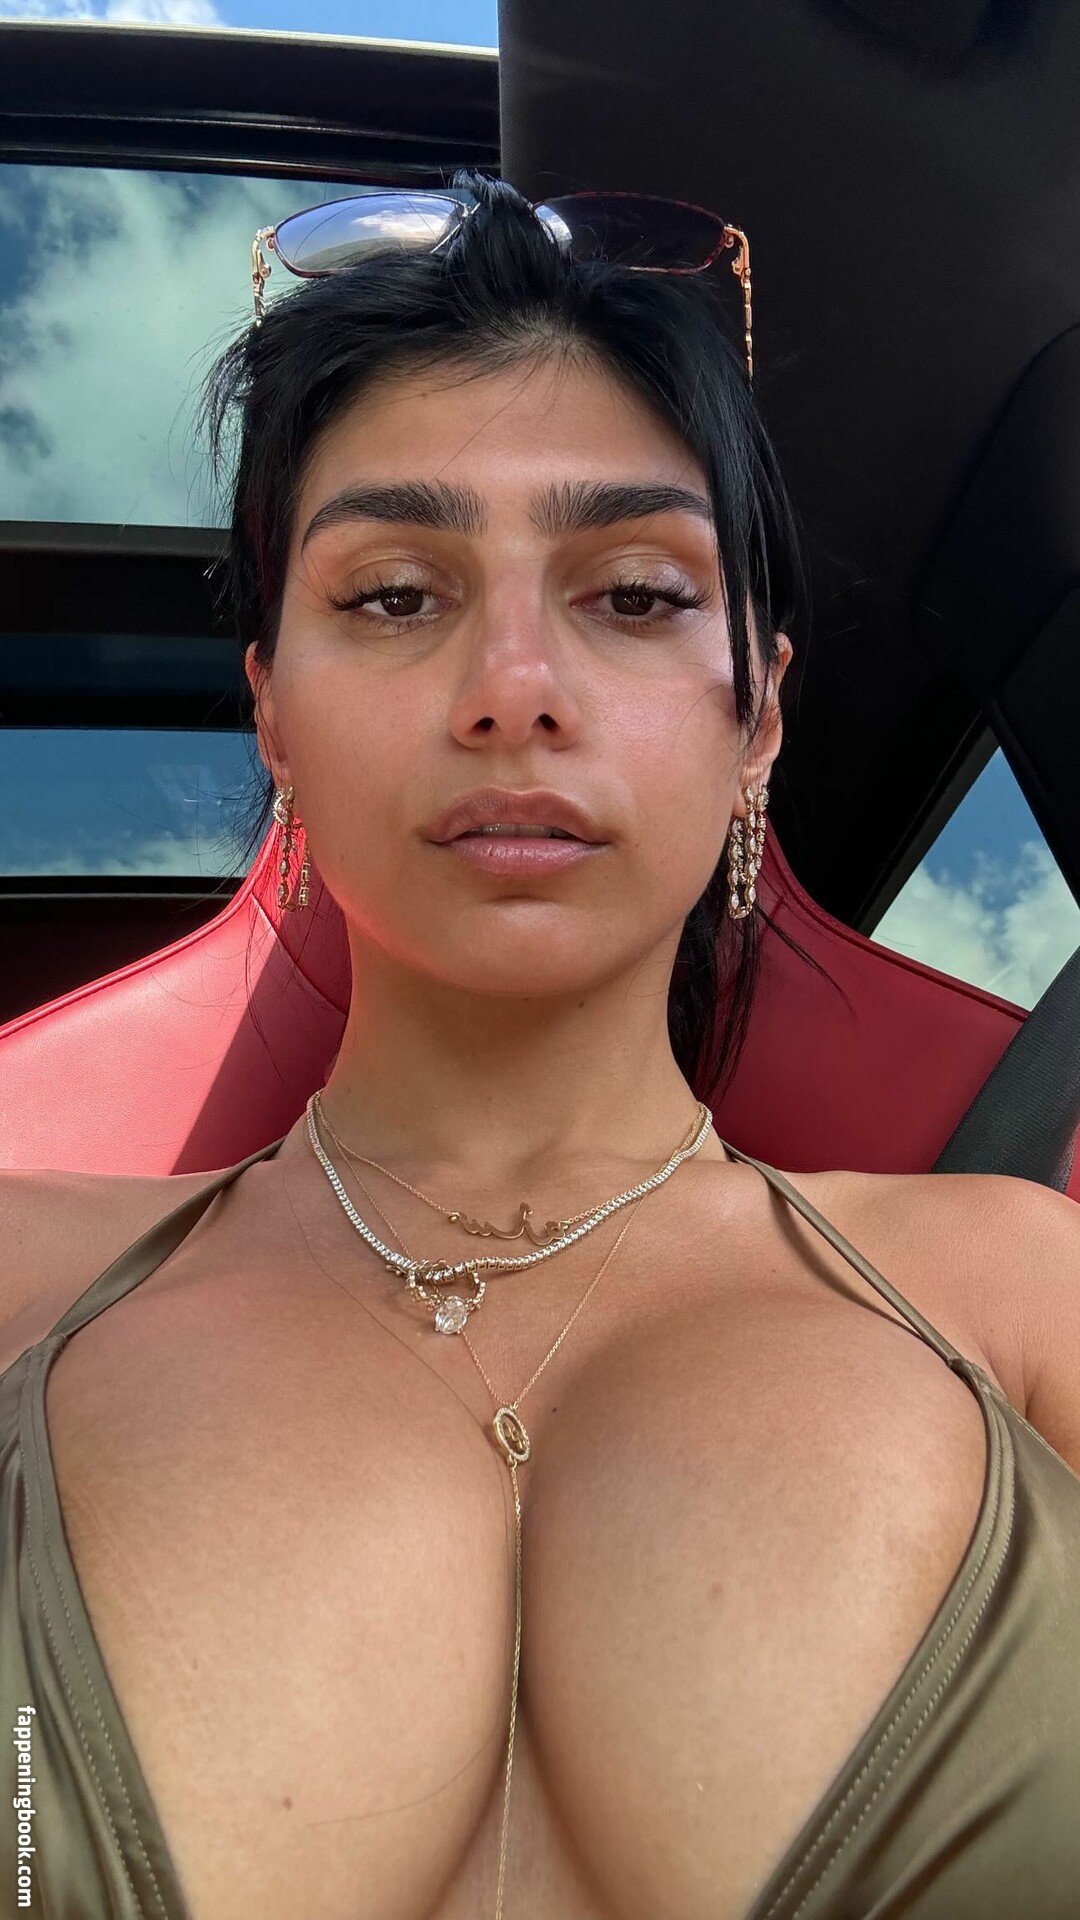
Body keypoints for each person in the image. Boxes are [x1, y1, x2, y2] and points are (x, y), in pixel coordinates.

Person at [2, 170, 1079, 1920]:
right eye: (393, 596)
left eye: (635, 594)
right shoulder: (14, 1287)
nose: (514, 685)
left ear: (760, 715)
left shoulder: (1029, 1303)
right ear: (273, 713)